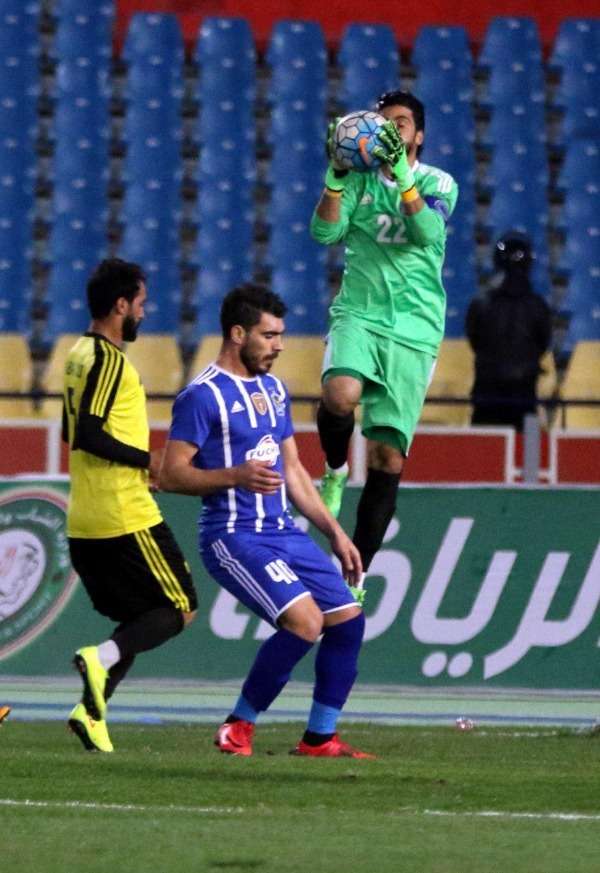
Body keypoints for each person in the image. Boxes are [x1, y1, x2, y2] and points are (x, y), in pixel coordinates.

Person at [159, 283, 374, 759]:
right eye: (269, 335)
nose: (279, 345)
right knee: (305, 623)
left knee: (348, 621)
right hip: (233, 536)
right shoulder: (201, 396)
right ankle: (237, 726)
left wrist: (335, 533)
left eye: (281, 335)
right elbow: (171, 474)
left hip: (282, 532)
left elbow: (293, 471)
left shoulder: (274, 390)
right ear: (238, 333)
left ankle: (319, 737)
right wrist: (234, 474)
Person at [310, 90, 458, 585]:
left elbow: (428, 234)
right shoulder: (356, 182)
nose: (391, 131)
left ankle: (355, 579)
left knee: (386, 457)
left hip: (415, 330)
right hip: (361, 313)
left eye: (400, 123)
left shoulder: (440, 182)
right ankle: (333, 469)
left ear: (419, 135)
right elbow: (324, 235)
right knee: (339, 394)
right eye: (382, 124)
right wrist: (334, 178)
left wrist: (404, 177)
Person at [62, 258, 197, 752]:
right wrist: (148, 461)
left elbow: (68, 432)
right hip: (123, 513)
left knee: (142, 616)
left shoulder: (76, 354)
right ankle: (98, 659)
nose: (144, 312)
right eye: (140, 303)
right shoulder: (110, 361)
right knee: (180, 607)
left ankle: (92, 713)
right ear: (121, 306)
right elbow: (89, 434)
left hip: (85, 516)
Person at [466, 231, 552, 431]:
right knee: (529, 458)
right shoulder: (538, 305)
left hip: (486, 395)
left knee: (483, 455)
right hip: (525, 396)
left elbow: (474, 339)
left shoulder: (481, 303)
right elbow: (544, 342)